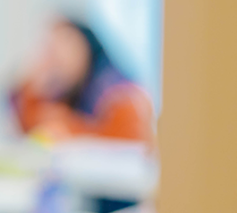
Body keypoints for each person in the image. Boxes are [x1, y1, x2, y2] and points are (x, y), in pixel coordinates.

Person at [11, 14, 155, 146]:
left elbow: (130, 142)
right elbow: (30, 127)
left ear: (85, 44)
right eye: (49, 49)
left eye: (65, 42)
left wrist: (70, 129)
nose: (55, 56)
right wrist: (35, 85)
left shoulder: (120, 92)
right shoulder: (66, 93)